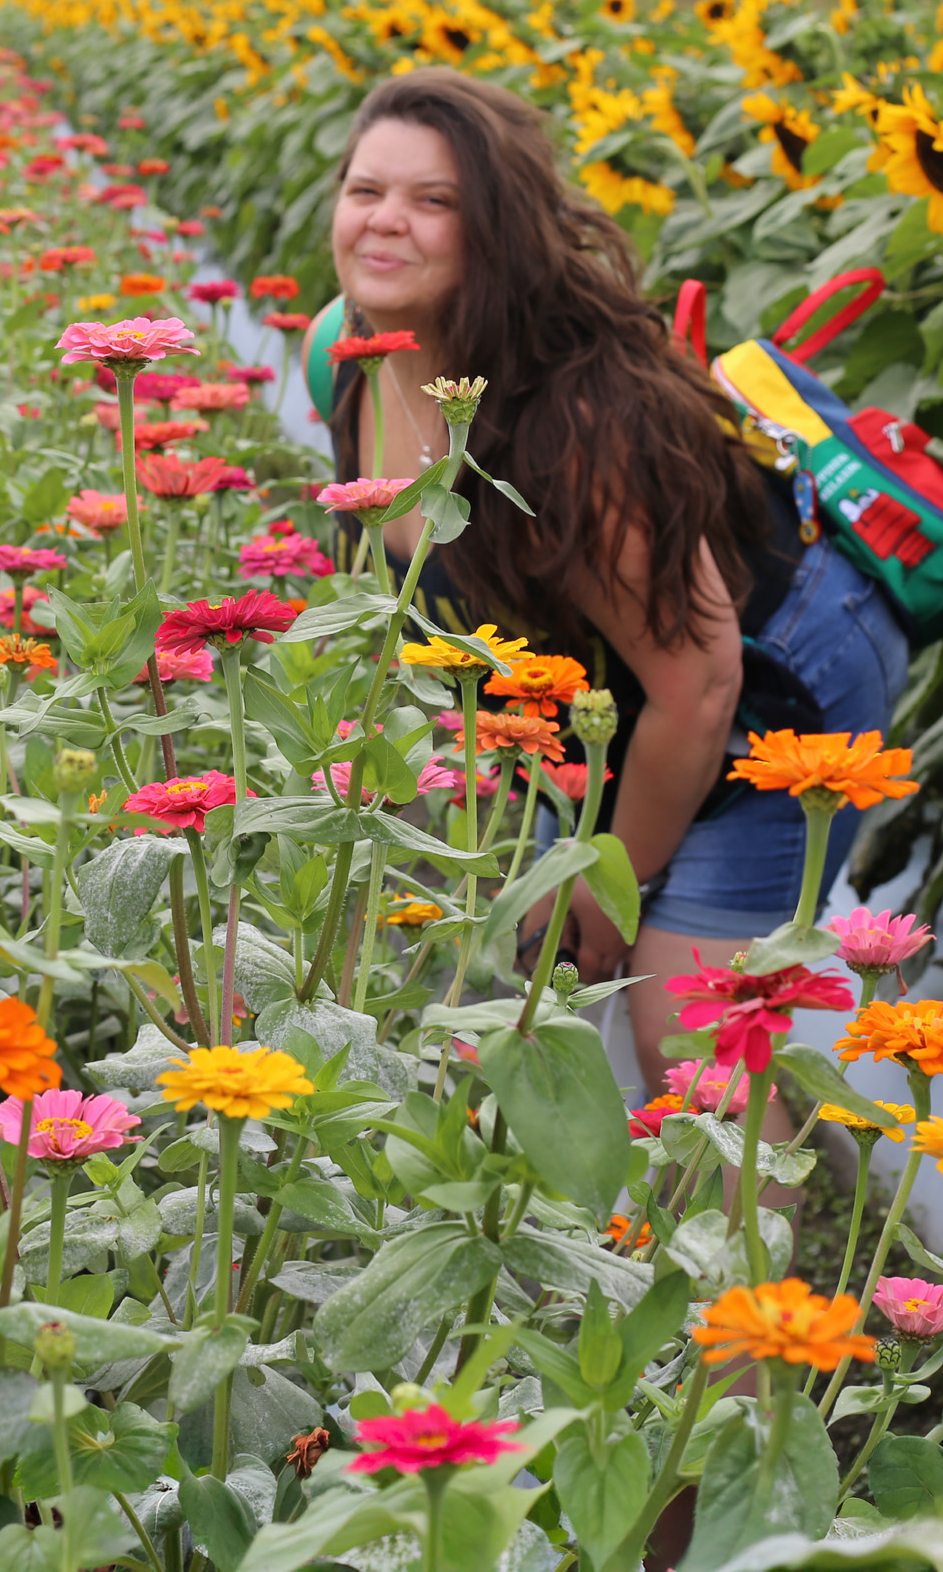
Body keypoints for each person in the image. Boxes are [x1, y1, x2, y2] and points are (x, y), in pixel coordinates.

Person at [327, 67, 909, 1099]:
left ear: (495, 233)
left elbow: (700, 680)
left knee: (687, 1043)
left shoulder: (573, 428)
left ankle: (752, 1251)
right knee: (536, 980)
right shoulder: (348, 351)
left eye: (433, 201)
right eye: (365, 190)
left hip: (764, 676)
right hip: (604, 697)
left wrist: (611, 881)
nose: (384, 223)